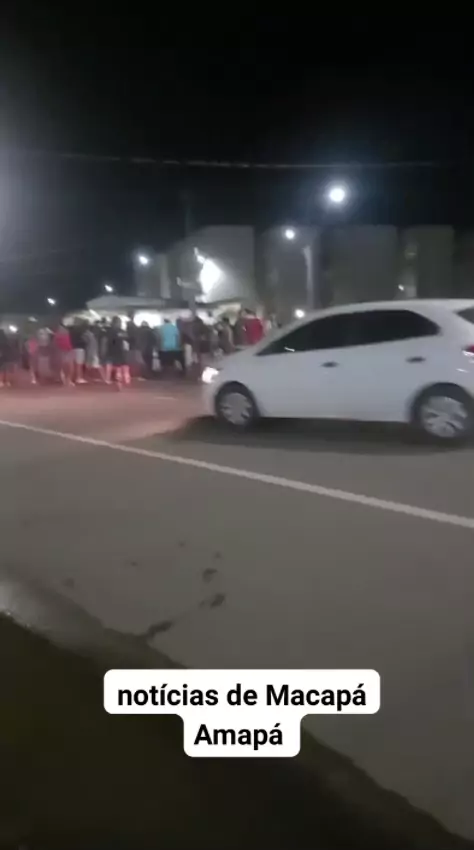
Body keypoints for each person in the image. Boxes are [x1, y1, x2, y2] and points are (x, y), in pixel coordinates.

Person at [105, 316, 128, 387]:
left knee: (110, 364)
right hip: (119, 349)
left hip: (111, 349)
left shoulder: (109, 330)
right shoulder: (121, 331)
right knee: (119, 365)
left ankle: (108, 378)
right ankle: (119, 379)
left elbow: (107, 340)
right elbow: (126, 337)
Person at [69, 319, 87, 383]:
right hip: (79, 348)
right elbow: (84, 339)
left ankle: (72, 378)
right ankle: (78, 378)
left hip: (72, 348)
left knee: (73, 364)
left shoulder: (70, 330)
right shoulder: (81, 330)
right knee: (79, 364)